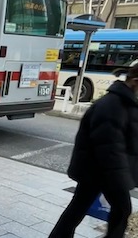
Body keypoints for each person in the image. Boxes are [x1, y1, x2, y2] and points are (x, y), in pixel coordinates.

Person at [49, 64, 138, 238]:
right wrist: (122, 179)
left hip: (99, 170)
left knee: (78, 208)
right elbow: (110, 147)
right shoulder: (113, 105)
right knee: (121, 210)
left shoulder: (126, 102)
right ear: (135, 81)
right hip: (100, 171)